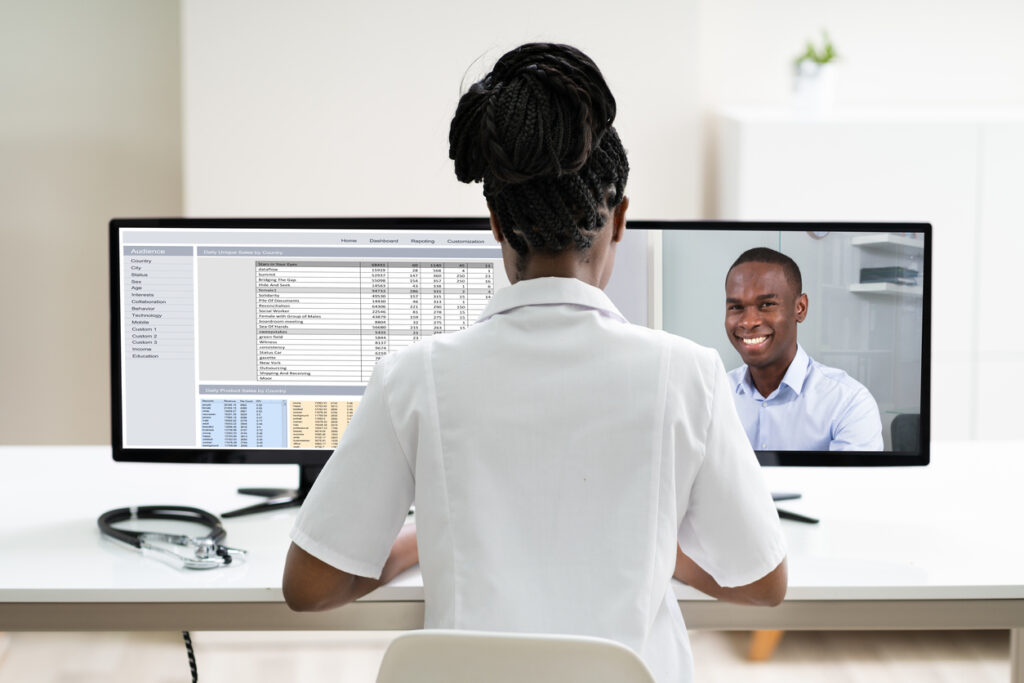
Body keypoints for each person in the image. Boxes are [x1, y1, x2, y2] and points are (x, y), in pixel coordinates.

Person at [283, 43, 787, 683]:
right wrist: (649, 546)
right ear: (620, 219)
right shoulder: (687, 372)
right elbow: (763, 582)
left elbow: (308, 583)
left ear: (495, 222)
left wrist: (429, 542)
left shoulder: (414, 376)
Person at [724, 247, 883, 451]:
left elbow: (848, 484)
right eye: (736, 307)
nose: (748, 322)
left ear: (800, 308)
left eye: (766, 304)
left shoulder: (849, 403)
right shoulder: (713, 398)